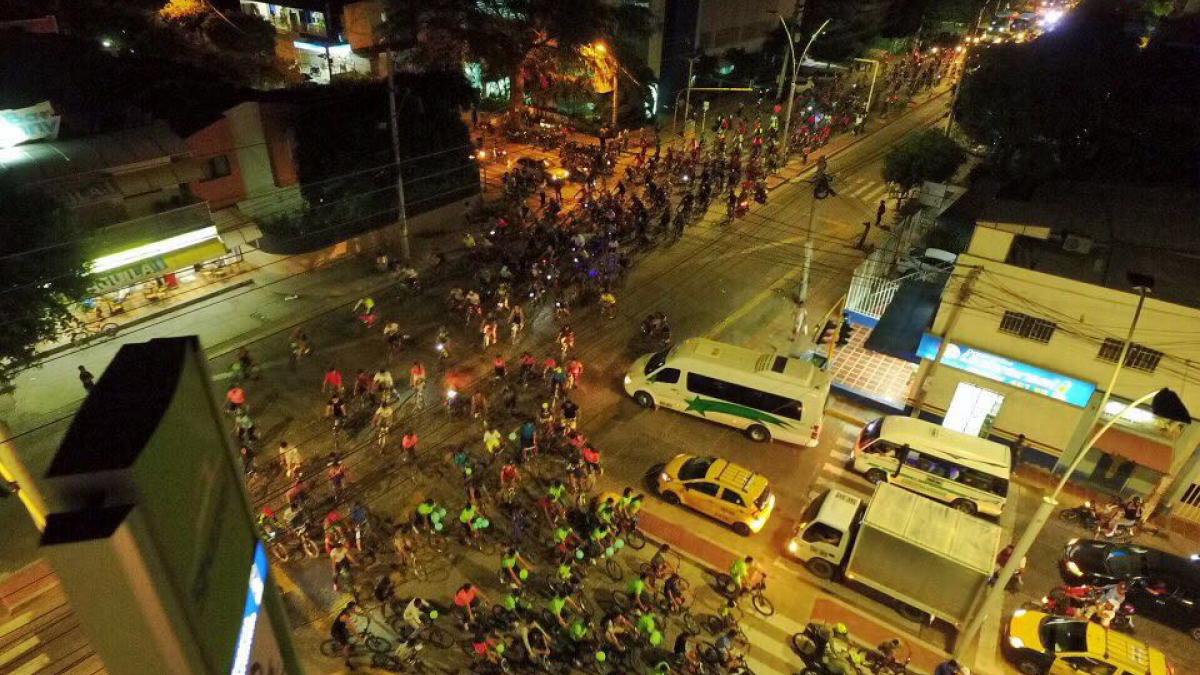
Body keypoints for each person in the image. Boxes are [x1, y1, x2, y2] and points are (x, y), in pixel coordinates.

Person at [331, 601, 360, 667]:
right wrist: (358, 636)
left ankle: (343, 644)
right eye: (354, 608)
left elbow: (354, 613)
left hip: (341, 628)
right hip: (337, 632)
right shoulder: (345, 616)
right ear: (350, 608)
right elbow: (352, 628)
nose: (355, 609)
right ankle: (347, 662)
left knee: (348, 635)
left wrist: (363, 614)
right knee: (346, 646)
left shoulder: (346, 610)